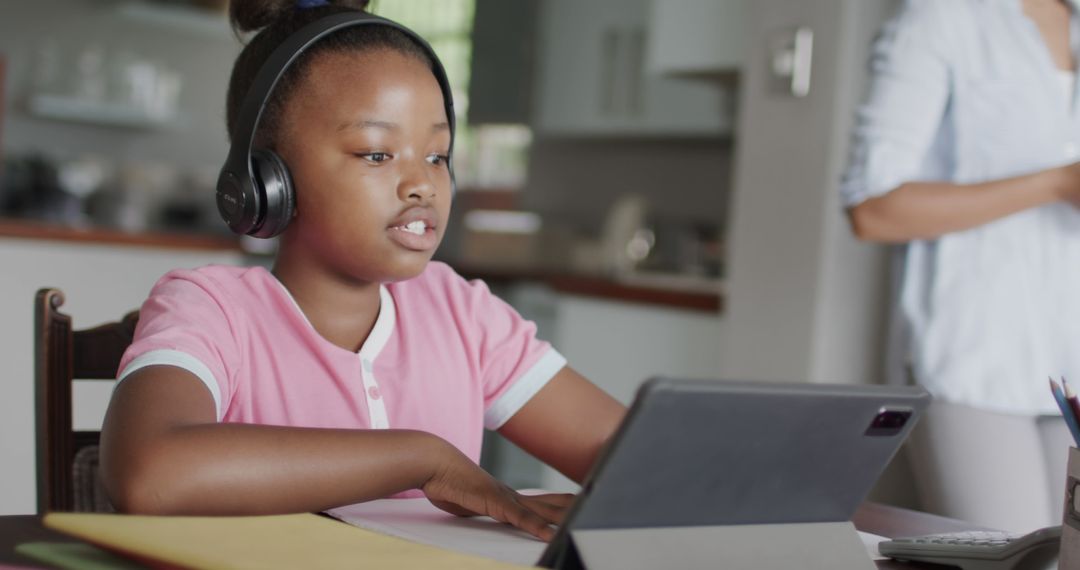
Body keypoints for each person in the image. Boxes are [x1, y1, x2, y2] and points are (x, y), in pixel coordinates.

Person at [98, 0, 625, 542]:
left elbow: (635, 462)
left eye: (438, 155)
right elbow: (149, 474)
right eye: (376, 154)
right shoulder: (210, 309)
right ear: (267, 179)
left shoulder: (462, 313)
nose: (421, 183)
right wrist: (422, 459)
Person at [841, 0, 1080, 532]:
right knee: (1014, 556)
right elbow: (874, 209)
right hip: (975, 358)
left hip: (1073, 360)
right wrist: (1055, 183)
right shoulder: (941, 19)